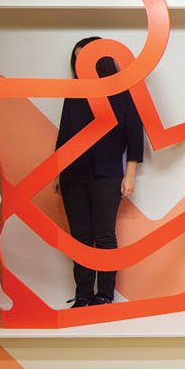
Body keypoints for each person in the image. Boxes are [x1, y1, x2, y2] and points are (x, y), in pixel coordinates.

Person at [54, 36, 145, 307]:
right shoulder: (73, 93)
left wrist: (130, 176)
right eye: (77, 60)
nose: (81, 66)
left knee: (104, 235)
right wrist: (58, 172)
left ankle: (105, 295)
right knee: (79, 237)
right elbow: (64, 134)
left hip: (106, 173)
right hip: (73, 173)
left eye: (87, 59)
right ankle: (83, 295)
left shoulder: (121, 92)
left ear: (101, 62)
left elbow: (134, 136)